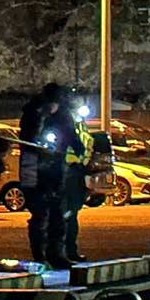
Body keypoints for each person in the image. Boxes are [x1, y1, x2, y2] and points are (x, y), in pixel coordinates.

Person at [19, 83, 72, 268]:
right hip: (35, 169)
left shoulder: (63, 115)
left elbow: (70, 137)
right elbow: (28, 141)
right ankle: (40, 255)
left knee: (58, 213)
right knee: (40, 214)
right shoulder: (34, 113)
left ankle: (57, 253)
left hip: (56, 169)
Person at [62, 96, 94, 262]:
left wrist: (84, 162)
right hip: (63, 170)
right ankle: (61, 251)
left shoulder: (81, 124)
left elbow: (89, 144)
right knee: (62, 214)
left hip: (76, 171)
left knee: (72, 213)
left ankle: (70, 250)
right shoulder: (62, 122)